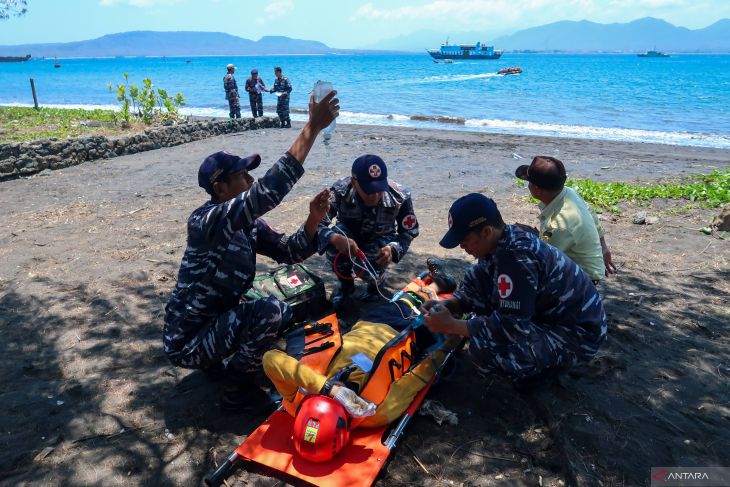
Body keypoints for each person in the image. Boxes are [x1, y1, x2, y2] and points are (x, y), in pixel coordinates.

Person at [163, 91, 340, 414]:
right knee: (269, 313)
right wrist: (311, 129)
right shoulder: (206, 221)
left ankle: (218, 362)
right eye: (243, 176)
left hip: (207, 326)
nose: (250, 179)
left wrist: (314, 219)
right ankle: (237, 388)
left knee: (282, 312)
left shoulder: (246, 225)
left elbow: (289, 250)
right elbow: (266, 193)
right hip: (186, 341)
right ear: (221, 189)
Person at [422, 193, 608, 392]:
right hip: (547, 315)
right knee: (476, 281)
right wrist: (451, 304)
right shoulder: (500, 241)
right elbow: (477, 283)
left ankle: (544, 368)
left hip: (577, 334)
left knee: (484, 352)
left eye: (465, 239)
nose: (462, 246)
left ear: (486, 232)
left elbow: (510, 327)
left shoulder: (517, 259)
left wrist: (452, 325)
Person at [262, 259, 459, 428]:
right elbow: (413, 381)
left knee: (403, 302)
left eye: (324, 398)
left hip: (367, 325)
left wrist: (330, 388)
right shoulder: (375, 413)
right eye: (333, 401)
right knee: (425, 310)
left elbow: (271, 358)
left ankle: (435, 287)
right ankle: (440, 288)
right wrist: (445, 350)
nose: (332, 395)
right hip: (404, 337)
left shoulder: (299, 401)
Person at [317, 155, 419, 308]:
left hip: (380, 239)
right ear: (354, 183)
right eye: (369, 191)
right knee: (333, 251)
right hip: (347, 234)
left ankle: (375, 285)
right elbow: (317, 223)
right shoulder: (340, 190)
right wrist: (335, 238)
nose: (375, 196)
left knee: (367, 266)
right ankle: (346, 286)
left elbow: (409, 231)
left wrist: (392, 249)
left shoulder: (400, 196)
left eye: (379, 190)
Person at [515, 156, 616, 281]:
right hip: (569, 253)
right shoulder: (568, 193)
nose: (528, 185)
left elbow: (543, 263)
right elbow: (591, 212)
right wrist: (603, 248)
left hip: (582, 279)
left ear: (537, 189)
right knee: (520, 232)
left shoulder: (559, 225)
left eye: (529, 182)